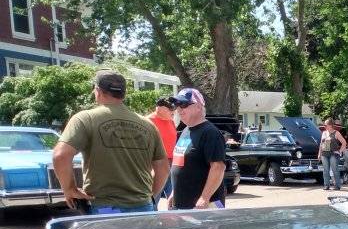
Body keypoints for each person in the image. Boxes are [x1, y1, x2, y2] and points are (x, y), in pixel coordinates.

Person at [52, 70, 168, 214]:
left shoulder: (85, 119)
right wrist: (150, 195)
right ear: (124, 94)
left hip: (104, 208)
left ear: (98, 91)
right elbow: (163, 168)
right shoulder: (148, 125)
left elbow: (60, 156)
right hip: (143, 208)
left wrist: (69, 189)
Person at [168, 88, 227, 210]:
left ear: (199, 107)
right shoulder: (185, 130)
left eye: (184, 104)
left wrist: (205, 197)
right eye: (177, 105)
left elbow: (218, 167)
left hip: (205, 206)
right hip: (183, 205)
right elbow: (181, 165)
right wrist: (174, 192)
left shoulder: (210, 132)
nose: (179, 109)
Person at [147, 97, 178, 208]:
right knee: (153, 200)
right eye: (170, 109)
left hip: (172, 164)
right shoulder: (148, 121)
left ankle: (175, 217)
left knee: (176, 200)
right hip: (155, 165)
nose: (173, 112)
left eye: (174, 109)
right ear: (159, 108)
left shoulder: (171, 121)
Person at [318, 118, 346, 189]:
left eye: (326, 125)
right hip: (324, 153)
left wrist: (340, 151)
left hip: (333, 154)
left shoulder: (336, 133)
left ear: (330, 125)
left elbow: (344, 142)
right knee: (325, 170)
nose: (324, 126)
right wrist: (319, 154)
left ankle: (337, 185)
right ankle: (326, 185)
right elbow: (321, 144)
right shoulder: (324, 133)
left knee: (334, 169)